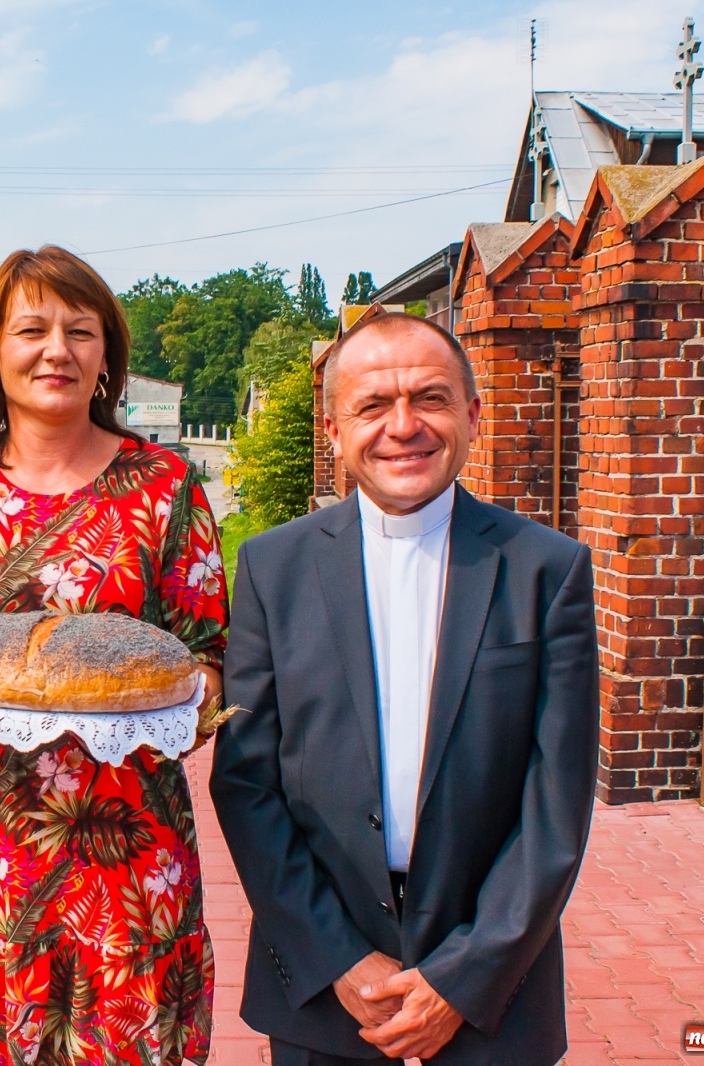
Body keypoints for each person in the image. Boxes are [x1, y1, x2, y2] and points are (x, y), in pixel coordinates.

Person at [211, 312, 599, 1066]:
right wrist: (338, 959)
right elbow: (247, 782)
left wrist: (462, 979)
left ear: (472, 415)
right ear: (334, 430)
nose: (404, 427)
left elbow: (556, 805)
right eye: (373, 406)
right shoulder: (271, 570)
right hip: (326, 982)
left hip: (494, 990)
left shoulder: (546, 571)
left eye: (430, 398)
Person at [0, 245, 227, 1066]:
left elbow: (208, 669)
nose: (57, 350)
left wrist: (156, 701)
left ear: (106, 354)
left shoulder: (164, 485)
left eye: (81, 331)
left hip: (127, 855)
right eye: (30, 329)